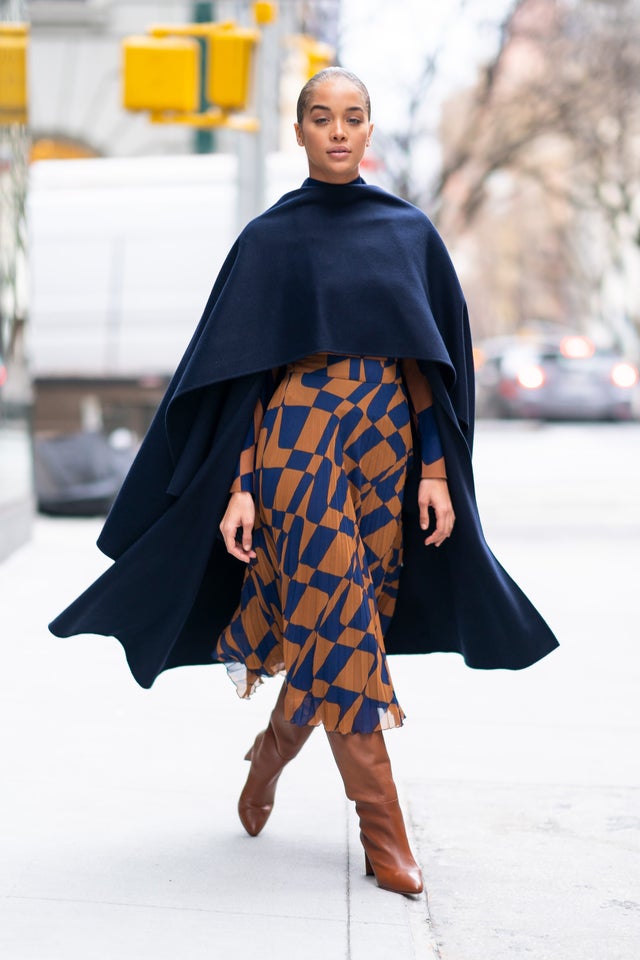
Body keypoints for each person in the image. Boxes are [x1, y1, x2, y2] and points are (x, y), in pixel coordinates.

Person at [50, 68, 558, 899]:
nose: (337, 131)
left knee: (334, 628)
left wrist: (435, 468)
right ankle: (383, 830)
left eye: (352, 118)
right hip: (295, 446)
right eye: (321, 117)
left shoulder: (407, 232)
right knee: (343, 623)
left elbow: (427, 363)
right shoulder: (269, 239)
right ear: (299, 131)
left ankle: (270, 754)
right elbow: (243, 374)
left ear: (369, 131)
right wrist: (242, 485)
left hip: (386, 449)